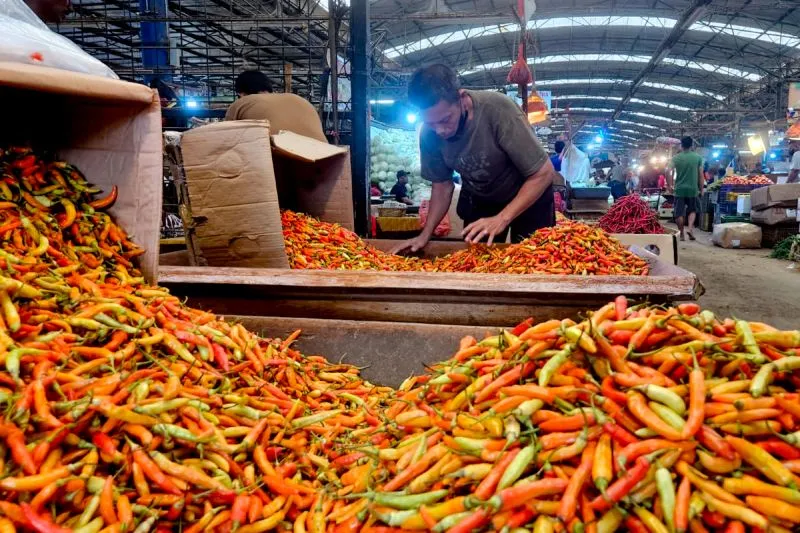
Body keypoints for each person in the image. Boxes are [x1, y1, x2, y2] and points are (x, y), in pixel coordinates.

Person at [391, 65, 556, 252]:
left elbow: (543, 173)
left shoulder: (498, 110)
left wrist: (502, 218)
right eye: (430, 123)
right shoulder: (430, 134)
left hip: (528, 194)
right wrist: (425, 235)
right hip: (481, 198)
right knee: (478, 260)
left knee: (535, 257)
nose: (440, 130)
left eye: (445, 120)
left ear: (461, 99)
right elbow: (442, 186)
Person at [225, 70, 327, 142]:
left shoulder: (241, 103)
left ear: (240, 93)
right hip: (329, 161)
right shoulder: (299, 99)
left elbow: (226, 139)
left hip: (283, 164)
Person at [668, 136, 704, 241]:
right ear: (692, 145)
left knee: (679, 213)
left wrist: (669, 185)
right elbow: (700, 174)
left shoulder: (676, 158)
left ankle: (682, 234)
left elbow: (667, 171)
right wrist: (701, 189)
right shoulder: (697, 158)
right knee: (692, 210)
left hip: (679, 189)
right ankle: (690, 229)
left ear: (681, 145)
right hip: (693, 189)